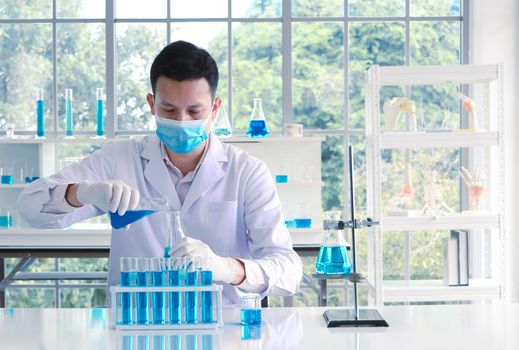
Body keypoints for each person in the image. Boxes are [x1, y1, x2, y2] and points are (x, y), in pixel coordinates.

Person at [16, 40, 302, 307]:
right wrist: (81, 192)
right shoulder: (119, 158)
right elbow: (30, 208)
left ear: (214, 109)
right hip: (135, 324)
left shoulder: (246, 172)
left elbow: (288, 271)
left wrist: (226, 267)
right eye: (168, 109)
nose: (181, 121)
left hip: (224, 327)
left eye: (194, 111)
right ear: (152, 104)